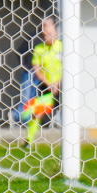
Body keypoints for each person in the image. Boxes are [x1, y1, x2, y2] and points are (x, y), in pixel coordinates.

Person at [26, 17, 62, 145]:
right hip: (45, 86)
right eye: (44, 34)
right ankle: (28, 139)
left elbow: (68, 66)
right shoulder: (39, 49)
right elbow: (36, 68)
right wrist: (48, 83)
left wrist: (58, 83)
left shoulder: (63, 47)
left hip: (62, 85)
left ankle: (68, 140)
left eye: (49, 34)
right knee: (37, 112)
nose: (46, 37)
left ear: (55, 32)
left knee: (67, 111)